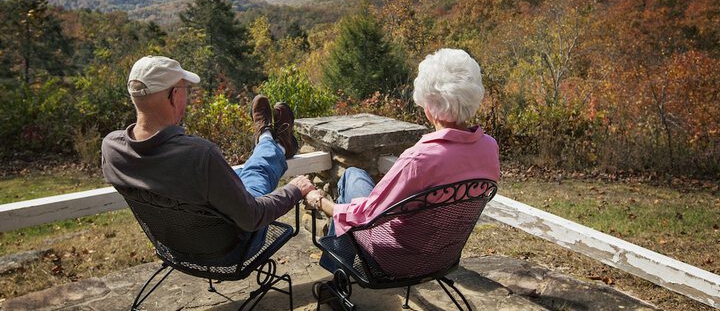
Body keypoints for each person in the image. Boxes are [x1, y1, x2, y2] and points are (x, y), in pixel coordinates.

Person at [305, 48, 500, 278]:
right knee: (355, 175)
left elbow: (367, 216)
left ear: (428, 108)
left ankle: (338, 274)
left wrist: (320, 202)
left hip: (396, 261)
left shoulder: (420, 159)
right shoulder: (489, 147)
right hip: (443, 257)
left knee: (351, 178)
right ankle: (337, 271)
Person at [101, 55, 314, 258]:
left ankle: (269, 140)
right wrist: (294, 190)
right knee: (256, 173)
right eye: (185, 89)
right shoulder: (199, 156)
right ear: (174, 95)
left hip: (173, 247)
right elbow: (252, 217)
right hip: (231, 250)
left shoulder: (112, 149)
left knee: (244, 179)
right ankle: (272, 142)